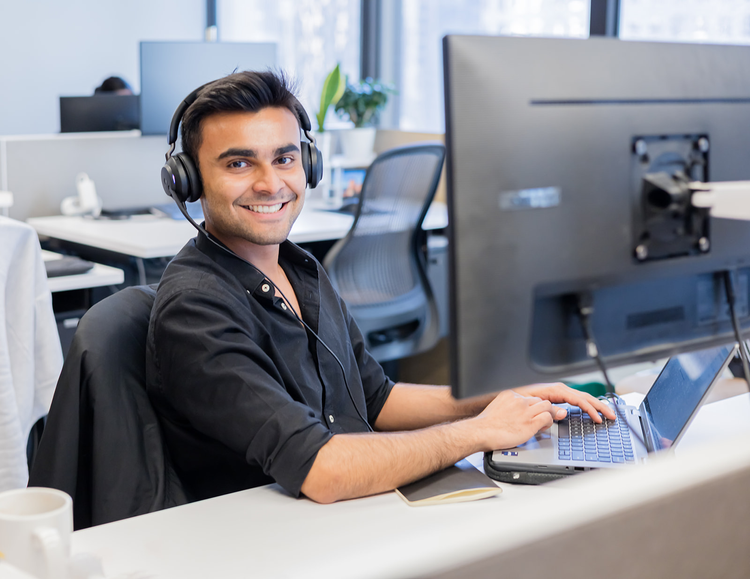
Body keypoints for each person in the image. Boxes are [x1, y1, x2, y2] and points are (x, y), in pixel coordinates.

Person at [146, 70, 615, 504]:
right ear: (188, 180)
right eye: (239, 164)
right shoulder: (197, 308)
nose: (271, 184)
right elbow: (321, 469)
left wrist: (503, 395)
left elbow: (376, 398)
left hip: (358, 502)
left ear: (308, 163)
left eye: (285, 158)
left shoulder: (299, 268)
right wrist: (479, 431)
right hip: (274, 534)